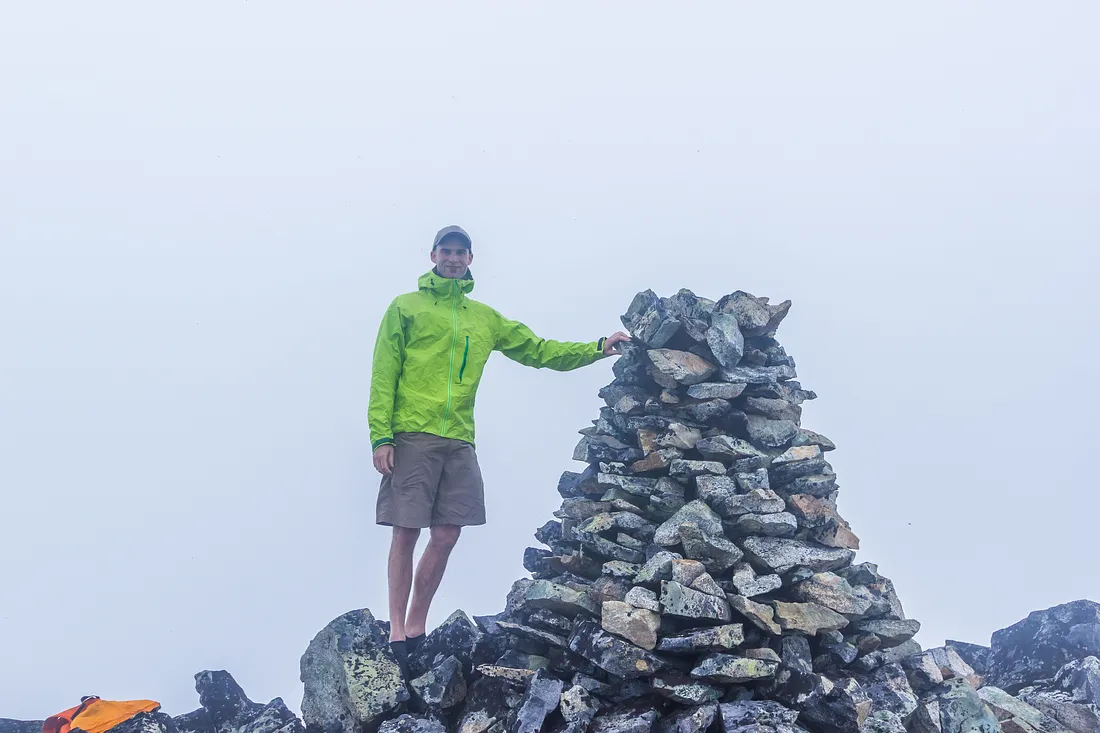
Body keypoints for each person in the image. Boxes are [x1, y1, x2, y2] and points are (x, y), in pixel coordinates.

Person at [367, 225, 629, 672]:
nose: (452, 258)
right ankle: (397, 632)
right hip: (411, 433)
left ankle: (416, 625)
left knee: (447, 533)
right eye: (445, 251)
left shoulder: (483, 317)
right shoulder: (405, 308)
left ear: (470, 260)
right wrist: (381, 436)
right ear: (432, 255)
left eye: (460, 252)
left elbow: (538, 350)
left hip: (459, 439)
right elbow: (383, 372)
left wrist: (598, 348)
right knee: (405, 532)